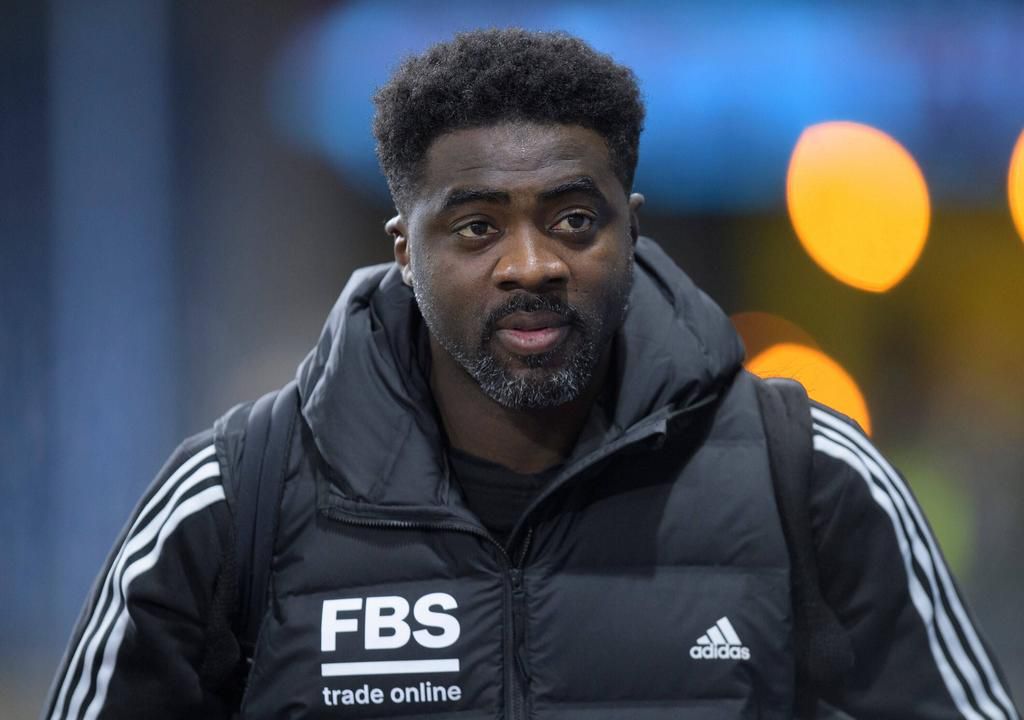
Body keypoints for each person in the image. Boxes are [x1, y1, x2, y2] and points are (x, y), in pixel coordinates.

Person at [44, 28, 1018, 720]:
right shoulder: (236, 497)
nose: (530, 264)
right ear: (402, 252)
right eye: (475, 227)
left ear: (630, 227)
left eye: (573, 219)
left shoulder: (803, 474)